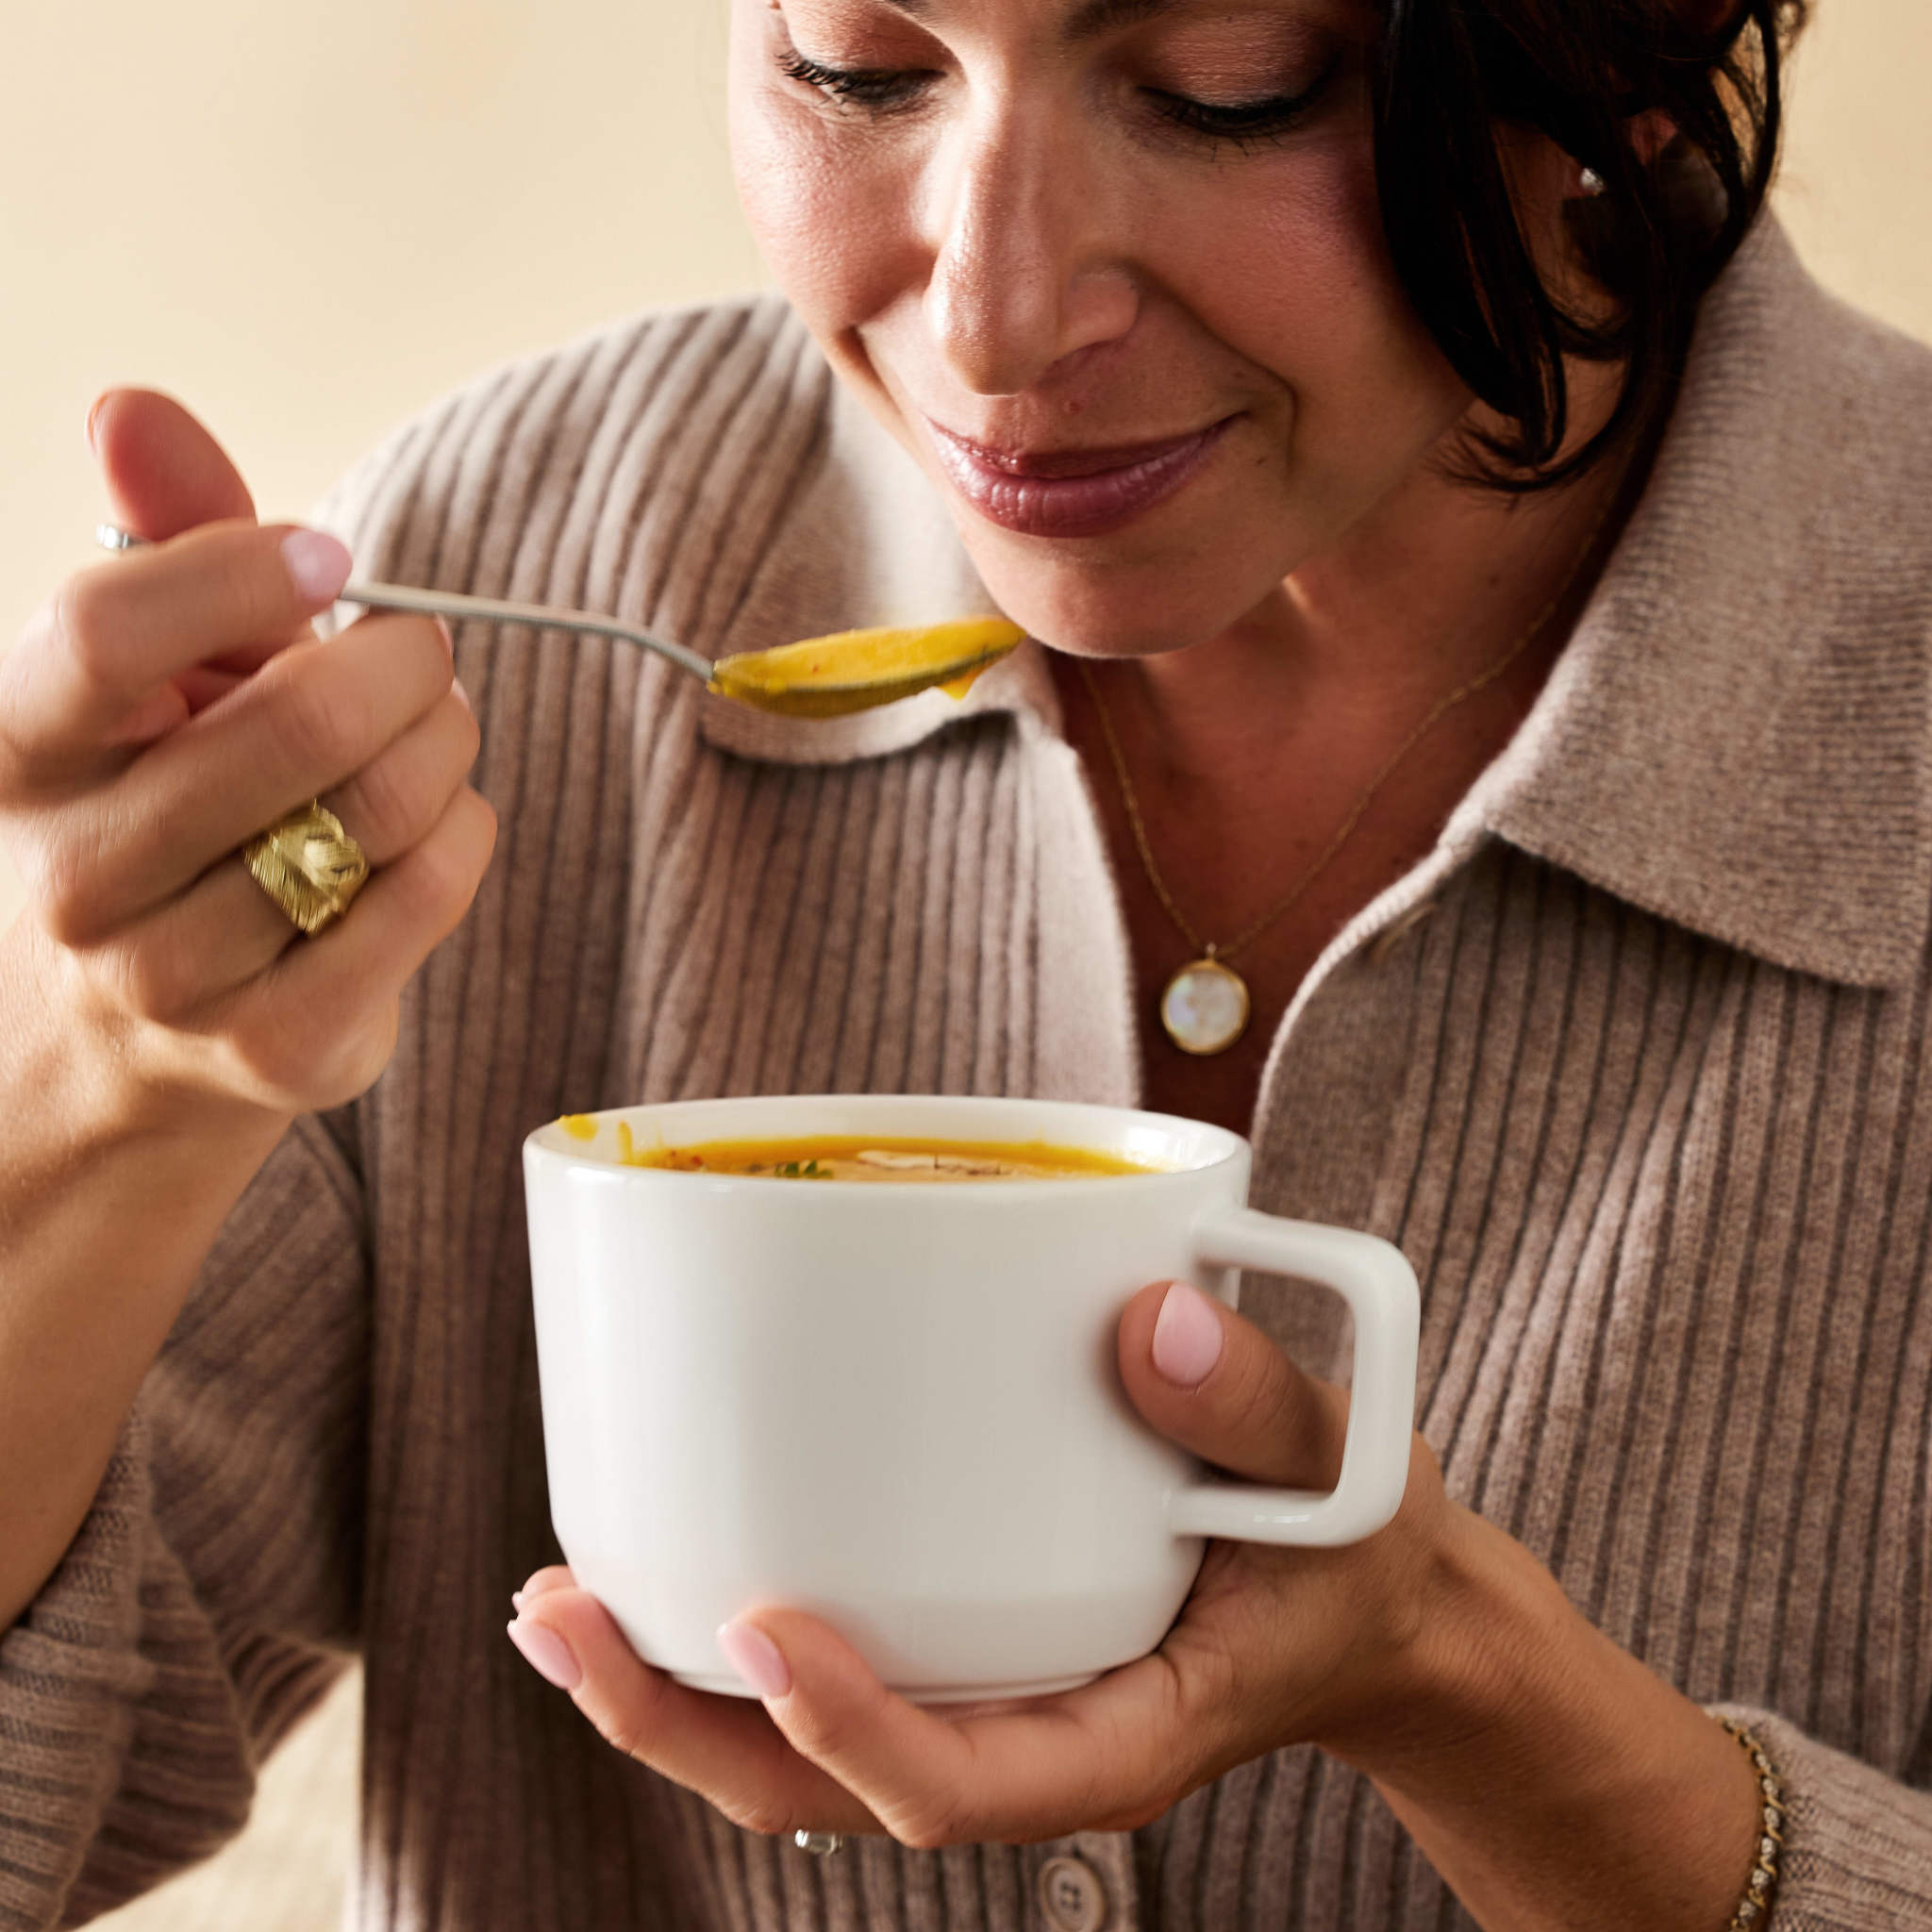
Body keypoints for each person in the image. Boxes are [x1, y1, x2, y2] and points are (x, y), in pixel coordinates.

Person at [2, 0, 1927, 1925]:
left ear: (1638, 60)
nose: (994, 324)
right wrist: (95, 1093)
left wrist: (1484, 1707)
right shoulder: (526, 565)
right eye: (859, 64)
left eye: (1225, 89)